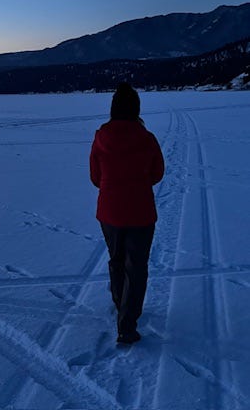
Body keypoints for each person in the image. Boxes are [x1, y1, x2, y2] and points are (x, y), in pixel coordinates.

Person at [89, 82, 164, 344]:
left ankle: (121, 303)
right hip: (141, 212)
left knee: (117, 259)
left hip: (109, 211)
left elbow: (95, 177)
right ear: (136, 109)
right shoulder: (147, 139)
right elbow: (157, 174)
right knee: (137, 266)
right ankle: (127, 323)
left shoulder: (101, 138)